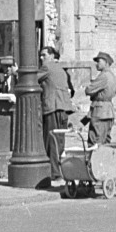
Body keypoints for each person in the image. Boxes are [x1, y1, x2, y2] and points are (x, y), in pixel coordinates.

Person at [37, 46, 73, 179]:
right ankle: (60, 171)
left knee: (51, 140)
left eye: (44, 55)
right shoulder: (60, 69)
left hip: (53, 107)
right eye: (40, 55)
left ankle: (54, 172)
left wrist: (17, 72)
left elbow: (30, 79)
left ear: (52, 56)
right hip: (63, 108)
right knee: (60, 141)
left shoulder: (47, 67)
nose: (41, 58)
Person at [84, 51, 116, 146]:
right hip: (108, 111)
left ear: (106, 62)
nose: (96, 64)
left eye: (99, 61)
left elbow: (88, 90)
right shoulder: (112, 76)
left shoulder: (104, 76)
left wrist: (90, 91)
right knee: (105, 142)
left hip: (99, 111)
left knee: (95, 141)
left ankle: (93, 161)